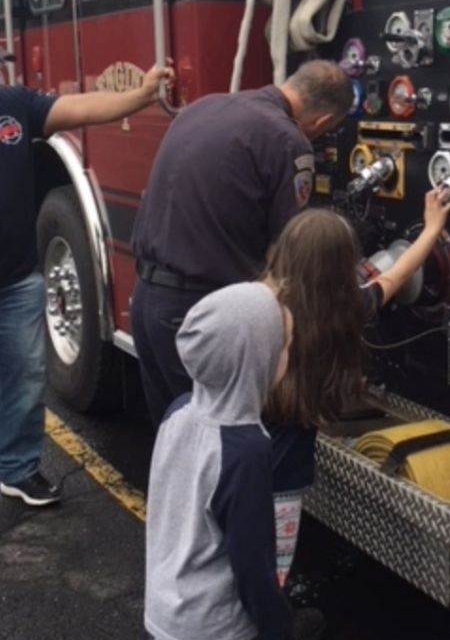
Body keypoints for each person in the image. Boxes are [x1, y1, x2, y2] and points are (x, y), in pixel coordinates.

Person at [0, 12, 174, 525]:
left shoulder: (10, 105)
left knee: (26, 378)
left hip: (15, 281)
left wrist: (142, 95)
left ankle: (18, 470)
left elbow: (79, 106)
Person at [139, 281, 295, 640]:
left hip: (164, 614)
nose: (285, 358)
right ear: (252, 362)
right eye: (281, 348)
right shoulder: (247, 449)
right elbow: (252, 566)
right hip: (218, 636)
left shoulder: (180, 412)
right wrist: (279, 633)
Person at [130, 57, 353, 429]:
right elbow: (286, 254)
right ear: (324, 122)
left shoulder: (203, 105)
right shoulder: (288, 140)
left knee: (175, 440)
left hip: (146, 302)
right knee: (218, 452)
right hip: (198, 311)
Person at [262, 187, 450, 583]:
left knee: (236, 558)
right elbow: (397, 274)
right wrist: (433, 227)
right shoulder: (349, 308)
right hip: (285, 472)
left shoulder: (257, 311)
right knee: (271, 568)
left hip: (239, 458)